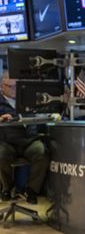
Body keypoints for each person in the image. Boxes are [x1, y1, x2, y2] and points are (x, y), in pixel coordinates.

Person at [0, 71, 49, 204]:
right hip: (7, 142)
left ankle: (31, 190)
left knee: (41, 152)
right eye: (9, 86)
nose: (13, 90)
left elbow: (42, 113)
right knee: (1, 154)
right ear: (1, 86)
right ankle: (6, 188)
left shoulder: (28, 99)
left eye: (16, 86)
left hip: (29, 141)